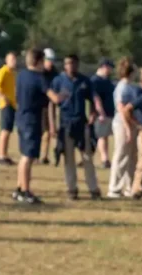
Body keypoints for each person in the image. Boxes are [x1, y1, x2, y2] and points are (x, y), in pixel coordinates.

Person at [50, 53, 101, 200]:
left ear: (77, 64)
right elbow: (51, 103)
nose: (70, 66)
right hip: (66, 124)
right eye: (67, 63)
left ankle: (93, 189)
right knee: (69, 158)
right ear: (64, 65)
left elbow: (93, 98)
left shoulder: (84, 81)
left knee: (87, 157)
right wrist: (52, 124)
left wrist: (93, 113)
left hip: (81, 122)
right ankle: (72, 189)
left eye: (73, 63)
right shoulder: (58, 81)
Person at [12, 49, 55, 204]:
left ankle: (18, 188)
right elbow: (53, 97)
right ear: (38, 62)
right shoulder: (39, 78)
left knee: (24, 154)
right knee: (28, 157)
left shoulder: (22, 75)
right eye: (43, 61)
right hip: (32, 120)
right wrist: (63, 95)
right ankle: (25, 191)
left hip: (21, 117)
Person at [108, 58, 140, 198]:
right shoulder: (122, 87)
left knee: (131, 156)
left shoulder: (131, 86)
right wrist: (127, 128)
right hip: (122, 124)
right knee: (121, 155)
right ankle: (114, 188)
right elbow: (121, 108)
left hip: (131, 123)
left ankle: (129, 187)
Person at [0, 51, 18, 166]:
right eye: (12, 59)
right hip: (6, 105)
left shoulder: (12, 73)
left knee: (8, 131)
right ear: (7, 60)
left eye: (15, 59)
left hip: (12, 104)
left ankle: (5, 154)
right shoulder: (4, 71)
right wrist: (2, 97)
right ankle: (1, 156)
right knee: (5, 131)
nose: (14, 62)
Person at [91, 59, 116, 168]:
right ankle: (104, 159)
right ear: (104, 66)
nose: (111, 70)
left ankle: (104, 158)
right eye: (110, 67)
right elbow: (96, 98)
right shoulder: (95, 80)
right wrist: (101, 113)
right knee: (101, 136)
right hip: (100, 114)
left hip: (109, 113)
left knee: (104, 136)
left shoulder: (107, 80)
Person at [40, 48, 59, 165]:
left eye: (52, 60)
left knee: (49, 131)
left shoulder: (54, 73)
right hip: (39, 105)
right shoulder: (39, 72)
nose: (50, 62)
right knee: (40, 132)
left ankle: (44, 156)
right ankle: (36, 154)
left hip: (50, 105)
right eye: (48, 60)